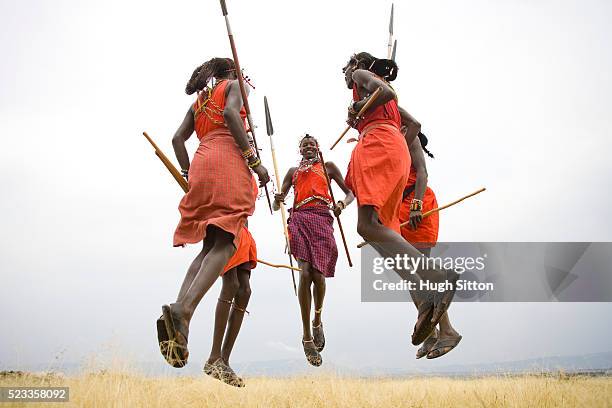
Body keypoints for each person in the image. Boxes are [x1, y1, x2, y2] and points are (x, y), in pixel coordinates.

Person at [156, 57, 269, 370]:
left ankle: (180, 310)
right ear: (231, 72)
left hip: (202, 163)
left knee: (209, 246)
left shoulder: (200, 101)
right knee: (226, 242)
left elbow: (178, 139)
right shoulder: (235, 86)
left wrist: (188, 172)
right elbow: (233, 114)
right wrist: (253, 160)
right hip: (229, 161)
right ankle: (185, 311)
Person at [342, 52, 459, 345]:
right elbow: (415, 125)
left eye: (345, 69)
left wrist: (360, 110)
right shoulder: (386, 106)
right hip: (392, 146)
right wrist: (393, 143)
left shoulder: (361, 78)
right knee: (382, 234)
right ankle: (424, 302)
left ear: (357, 66)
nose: (345, 75)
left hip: (379, 143)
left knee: (367, 226)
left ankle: (436, 276)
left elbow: (387, 91)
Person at [273, 134, 354, 366]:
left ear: (318, 148)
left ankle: (317, 319)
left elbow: (350, 193)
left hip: (321, 218)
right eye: (304, 145)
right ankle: (307, 336)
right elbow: (276, 203)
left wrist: (341, 204)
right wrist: (278, 198)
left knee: (318, 275)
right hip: (298, 218)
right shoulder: (292, 172)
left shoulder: (328, 167)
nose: (308, 147)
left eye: (312, 144)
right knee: (305, 272)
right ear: (300, 150)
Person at [400, 132, 462, 359]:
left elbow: (422, 174)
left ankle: (447, 331)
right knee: (408, 273)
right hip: (399, 211)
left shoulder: (409, 136)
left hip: (418, 206)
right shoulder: (390, 143)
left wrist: (416, 205)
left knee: (419, 270)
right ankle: (431, 334)